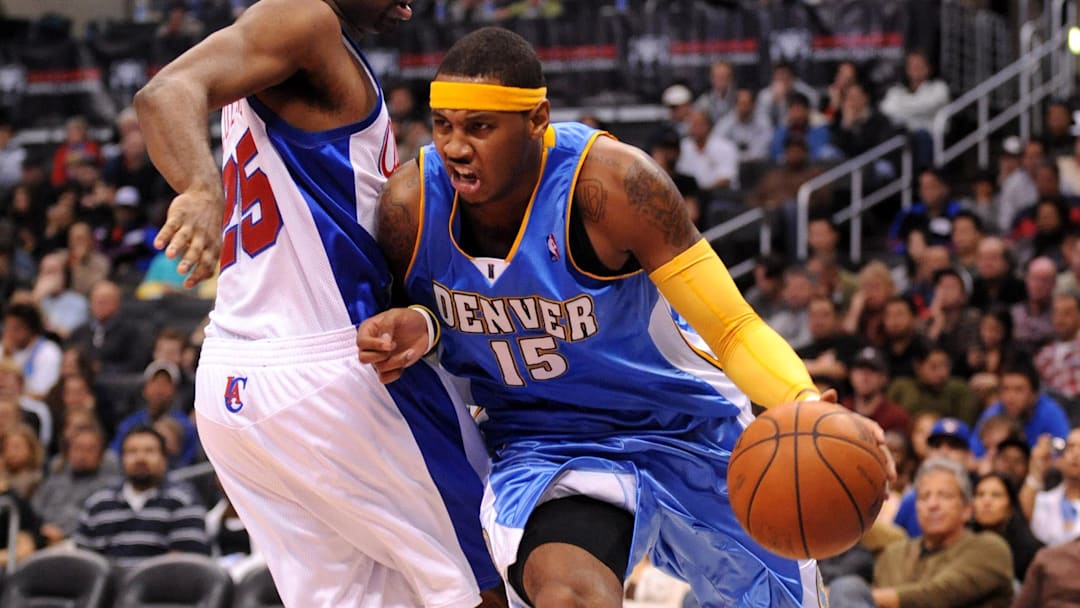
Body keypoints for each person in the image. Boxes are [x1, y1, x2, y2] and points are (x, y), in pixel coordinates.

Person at [357, 27, 894, 608]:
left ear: (537, 119)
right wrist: (423, 324)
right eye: (445, 126)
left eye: (480, 127)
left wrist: (805, 402)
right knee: (568, 596)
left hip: (684, 423)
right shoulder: (411, 205)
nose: (456, 146)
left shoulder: (612, 185)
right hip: (546, 443)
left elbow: (732, 326)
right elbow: (432, 315)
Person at [133, 1, 502, 605]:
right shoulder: (306, 18)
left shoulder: (285, 47)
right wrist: (201, 188)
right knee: (496, 579)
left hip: (235, 385)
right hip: (336, 371)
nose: (408, 5)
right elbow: (165, 91)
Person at [829, 458, 1014, 608]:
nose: (932, 505)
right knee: (847, 585)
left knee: (847, 588)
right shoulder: (894, 553)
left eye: (944, 496)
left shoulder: (989, 547)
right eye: (924, 497)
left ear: (967, 508)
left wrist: (859, 595)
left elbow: (939, 595)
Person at [74, 424, 209, 570]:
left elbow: (187, 563)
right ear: (122, 459)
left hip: (161, 589)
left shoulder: (183, 501)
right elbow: (82, 562)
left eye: (149, 451)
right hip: (107, 589)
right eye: (132, 452)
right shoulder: (98, 503)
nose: (140, 458)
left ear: (164, 459)